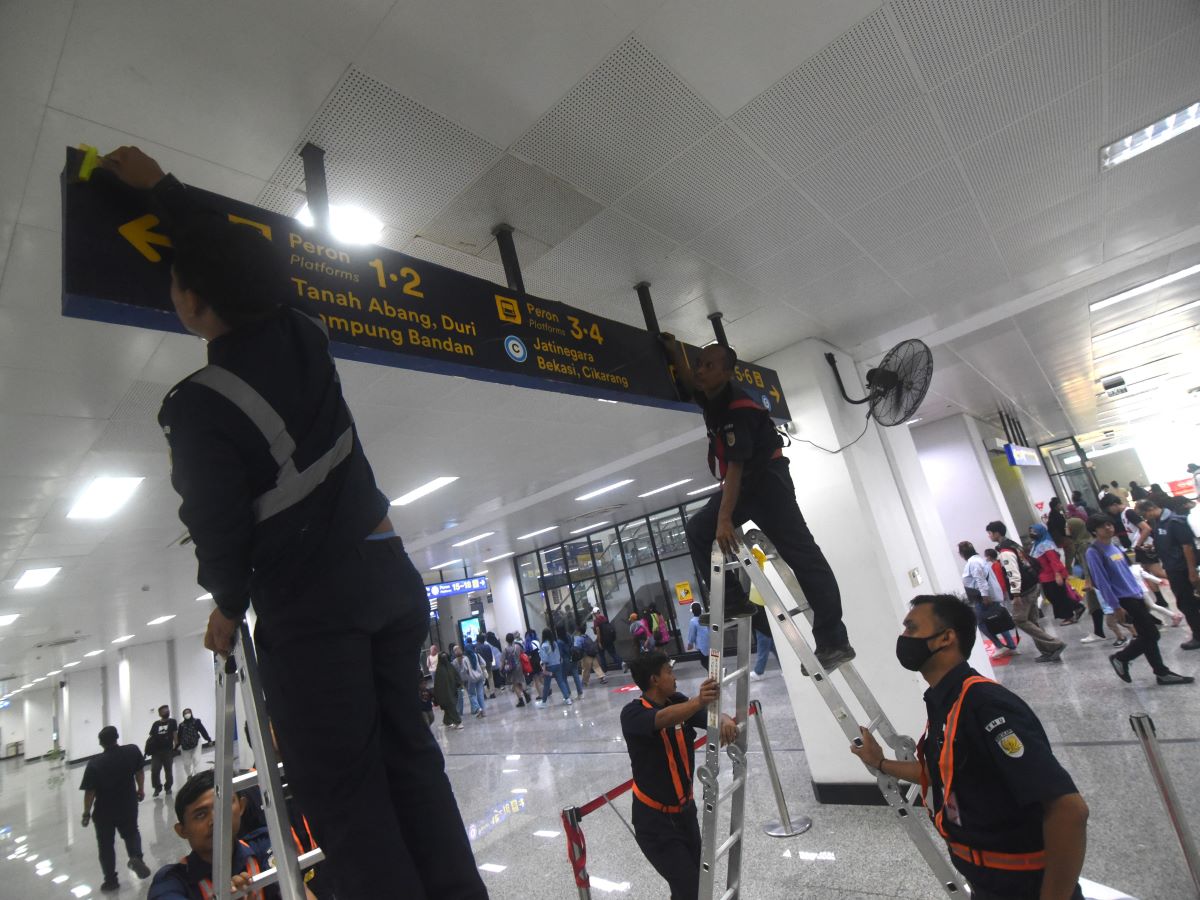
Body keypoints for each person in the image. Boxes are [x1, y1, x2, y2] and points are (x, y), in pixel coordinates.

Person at [99, 146, 485, 899]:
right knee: (414, 763)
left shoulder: (200, 404)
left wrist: (226, 602)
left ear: (192, 302)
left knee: (348, 800)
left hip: (316, 615)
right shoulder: (306, 333)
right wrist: (164, 191)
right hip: (390, 585)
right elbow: (233, 256)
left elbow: (220, 530)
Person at [850, 595, 1089, 900]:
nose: (903, 637)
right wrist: (881, 763)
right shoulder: (945, 701)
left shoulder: (985, 706)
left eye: (911, 628)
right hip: (986, 885)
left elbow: (1069, 810)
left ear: (946, 638)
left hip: (1023, 887)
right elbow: (941, 771)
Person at [660, 336, 854, 671]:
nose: (701, 371)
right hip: (744, 485)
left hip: (768, 485)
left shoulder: (738, 407)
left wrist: (725, 520)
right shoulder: (713, 397)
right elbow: (692, 383)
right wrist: (676, 352)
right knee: (697, 529)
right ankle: (733, 600)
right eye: (700, 364)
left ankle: (834, 641)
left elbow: (735, 468)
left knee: (802, 555)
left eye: (709, 365)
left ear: (727, 372)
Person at [621, 651, 737, 900]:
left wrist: (724, 718)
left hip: (686, 815)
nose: (674, 677)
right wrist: (697, 701)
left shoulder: (677, 701)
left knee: (696, 882)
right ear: (654, 679)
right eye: (669, 672)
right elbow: (661, 719)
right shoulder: (632, 714)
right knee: (688, 887)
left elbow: (706, 718)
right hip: (654, 823)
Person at [148, 771, 317, 900]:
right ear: (182, 830)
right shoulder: (172, 882)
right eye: (200, 814)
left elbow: (301, 893)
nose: (216, 820)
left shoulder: (266, 845)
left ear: (242, 807)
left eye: (224, 806)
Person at [1085, 515, 1193, 686]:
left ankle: (1161, 673)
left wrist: (1140, 593)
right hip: (1123, 600)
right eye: (1103, 526)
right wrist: (1115, 607)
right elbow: (1102, 582)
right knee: (1152, 634)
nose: (1108, 528)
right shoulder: (1094, 552)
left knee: (1146, 635)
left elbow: (1127, 573)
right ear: (1094, 530)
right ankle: (1121, 658)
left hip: (1135, 595)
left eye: (1109, 524)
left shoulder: (1115, 547)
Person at [81, 726, 152, 892]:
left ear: (100, 743)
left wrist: (86, 813)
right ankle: (136, 857)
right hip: (128, 804)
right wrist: (140, 789)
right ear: (117, 737)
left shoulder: (95, 763)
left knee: (105, 845)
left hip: (104, 811)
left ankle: (111, 881)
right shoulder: (132, 751)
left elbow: (90, 792)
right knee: (132, 832)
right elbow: (139, 772)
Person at [986, 522, 1066, 663]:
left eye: (990, 533)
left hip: (1023, 591)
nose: (989, 536)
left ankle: (1055, 643)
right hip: (1033, 585)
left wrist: (1016, 594)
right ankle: (1049, 651)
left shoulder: (1005, 552)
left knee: (1019, 619)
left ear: (997, 533)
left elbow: (1013, 574)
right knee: (1032, 621)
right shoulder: (1013, 545)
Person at [1137, 500, 1200, 650]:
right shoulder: (1159, 523)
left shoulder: (1174, 521)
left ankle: (1198, 636)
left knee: (1186, 603)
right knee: (1186, 602)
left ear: (1152, 508)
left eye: (1144, 514)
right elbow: (1170, 544)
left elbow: (1187, 547)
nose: (1145, 518)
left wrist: (1192, 572)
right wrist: (1153, 547)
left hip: (1181, 569)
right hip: (1172, 568)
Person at [959, 541, 1018, 657]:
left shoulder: (974, 562)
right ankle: (1011, 646)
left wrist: (985, 596)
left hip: (983, 598)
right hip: (987, 596)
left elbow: (980, 580)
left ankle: (1000, 646)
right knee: (997, 618)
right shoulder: (979, 560)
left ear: (962, 554)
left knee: (981, 622)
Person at [1030, 524, 1083, 624]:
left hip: (1052, 575)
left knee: (1058, 596)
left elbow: (1054, 560)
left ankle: (1070, 616)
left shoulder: (1046, 545)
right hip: (1045, 576)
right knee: (1052, 596)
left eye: (1034, 531)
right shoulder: (1037, 544)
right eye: (1031, 531)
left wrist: (1057, 574)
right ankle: (1076, 607)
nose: (1032, 534)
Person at [535, 627, 573, 706]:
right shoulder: (555, 643)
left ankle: (544, 702)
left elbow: (544, 659)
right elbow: (559, 655)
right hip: (558, 665)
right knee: (561, 682)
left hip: (549, 667)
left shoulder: (544, 645)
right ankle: (568, 699)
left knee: (547, 685)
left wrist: (544, 669)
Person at [147, 704, 178, 797]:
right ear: (160, 713)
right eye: (164, 711)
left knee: (168, 770)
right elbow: (151, 737)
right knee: (155, 770)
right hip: (156, 752)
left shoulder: (172, 722)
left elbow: (174, 733)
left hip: (168, 750)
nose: (166, 712)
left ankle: (168, 787)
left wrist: (176, 745)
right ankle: (157, 787)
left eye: (167, 710)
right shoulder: (156, 724)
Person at [177, 708, 213, 780]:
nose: (187, 714)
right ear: (183, 715)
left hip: (196, 743)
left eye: (188, 712)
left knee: (196, 759)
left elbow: (203, 731)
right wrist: (177, 746)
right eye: (185, 713)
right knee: (186, 763)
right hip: (185, 746)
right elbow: (179, 736)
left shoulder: (196, 721)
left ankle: (197, 775)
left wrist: (208, 739)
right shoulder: (181, 725)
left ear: (191, 713)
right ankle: (189, 775)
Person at [453, 643, 487, 719]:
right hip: (480, 676)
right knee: (480, 693)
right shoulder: (476, 655)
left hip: (471, 679)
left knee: (471, 694)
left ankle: (478, 708)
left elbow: (465, 670)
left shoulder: (465, 659)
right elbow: (484, 663)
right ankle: (483, 711)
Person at [434, 651, 464, 730]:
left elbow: (456, 677)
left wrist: (459, 684)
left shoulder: (442, 669)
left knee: (449, 708)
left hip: (452, 691)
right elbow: (438, 684)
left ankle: (447, 721)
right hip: (446, 694)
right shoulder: (444, 669)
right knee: (451, 707)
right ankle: (458, 722)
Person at [502, 632, 533, 707]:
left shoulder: (506, 649)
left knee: (515, 684)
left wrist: (501, 669)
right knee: (519, 682)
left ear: (506, 640)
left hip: (511, 668)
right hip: (519, 666)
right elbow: (522, 654)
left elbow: (502, 660)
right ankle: (526, 695)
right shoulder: (518, 646)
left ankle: (521, 700)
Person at [685, 601, 710, 671]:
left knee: (704, 662)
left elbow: (692, 634)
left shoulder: (693, 621)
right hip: (710, 642)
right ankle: (714, 674)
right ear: (701, 609)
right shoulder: (706, 617)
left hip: (702, 645)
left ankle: (713, 675)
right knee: (711, 661)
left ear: (692, 611)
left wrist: (690, 643)